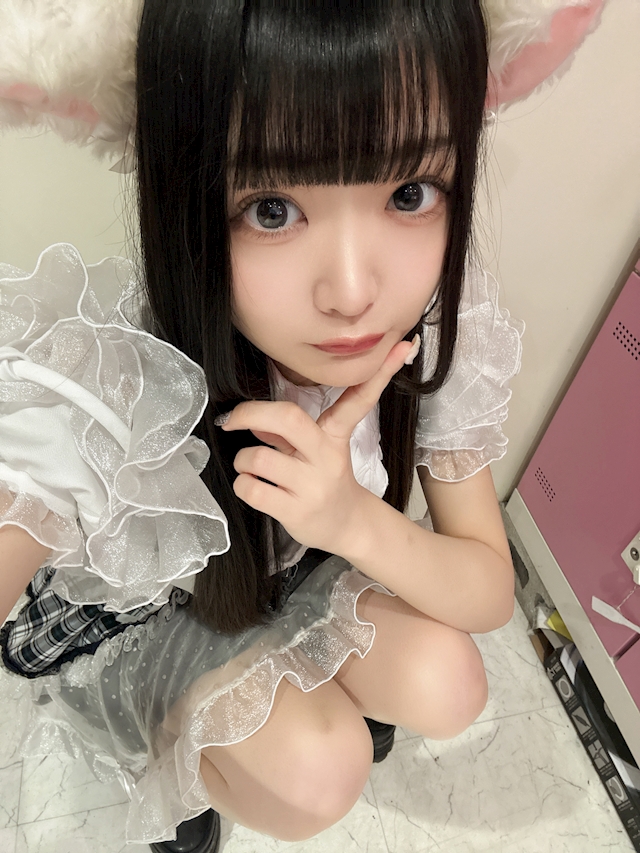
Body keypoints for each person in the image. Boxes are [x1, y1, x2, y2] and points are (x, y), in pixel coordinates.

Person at [0, 1, 605, 851]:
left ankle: (296, 695)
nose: (354, 292)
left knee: (451, 682)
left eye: (408, 192)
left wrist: (349, 518)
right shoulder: (130, 374)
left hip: (296, 569)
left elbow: (487, 587)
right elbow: (32, 483)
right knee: (320, 770)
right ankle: (186, 761)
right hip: (164, 621)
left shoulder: (428, 339)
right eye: (272, 208)